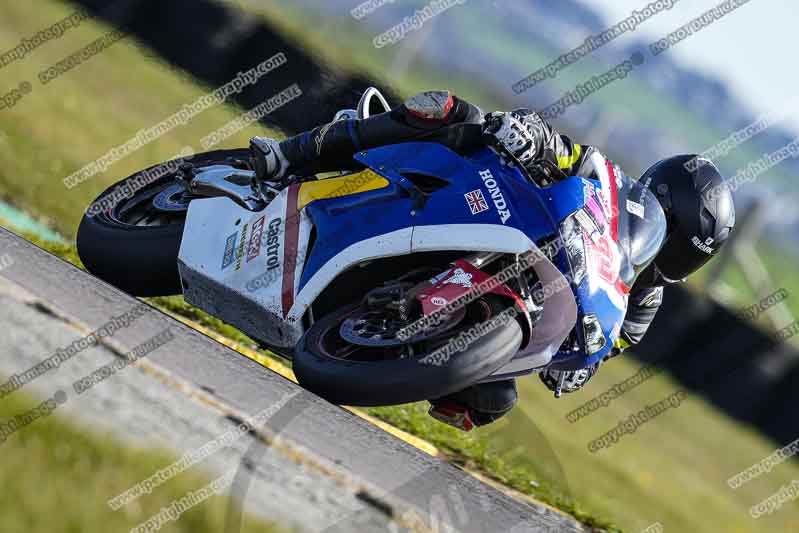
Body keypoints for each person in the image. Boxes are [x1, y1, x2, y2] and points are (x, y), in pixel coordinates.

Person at [249, 90, 736, 430]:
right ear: (656, 201)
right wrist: (531, 135)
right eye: (671, 237)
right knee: (454, 112)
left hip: (521, 299)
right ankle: (299, 151)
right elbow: (566, 152)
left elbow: (600, 351)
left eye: (683, 255)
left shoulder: (641, 306)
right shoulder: (607, 185)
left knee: (491, 399)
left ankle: (374, 340)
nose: (668, 256)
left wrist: (577, 367)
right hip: (492, 210)